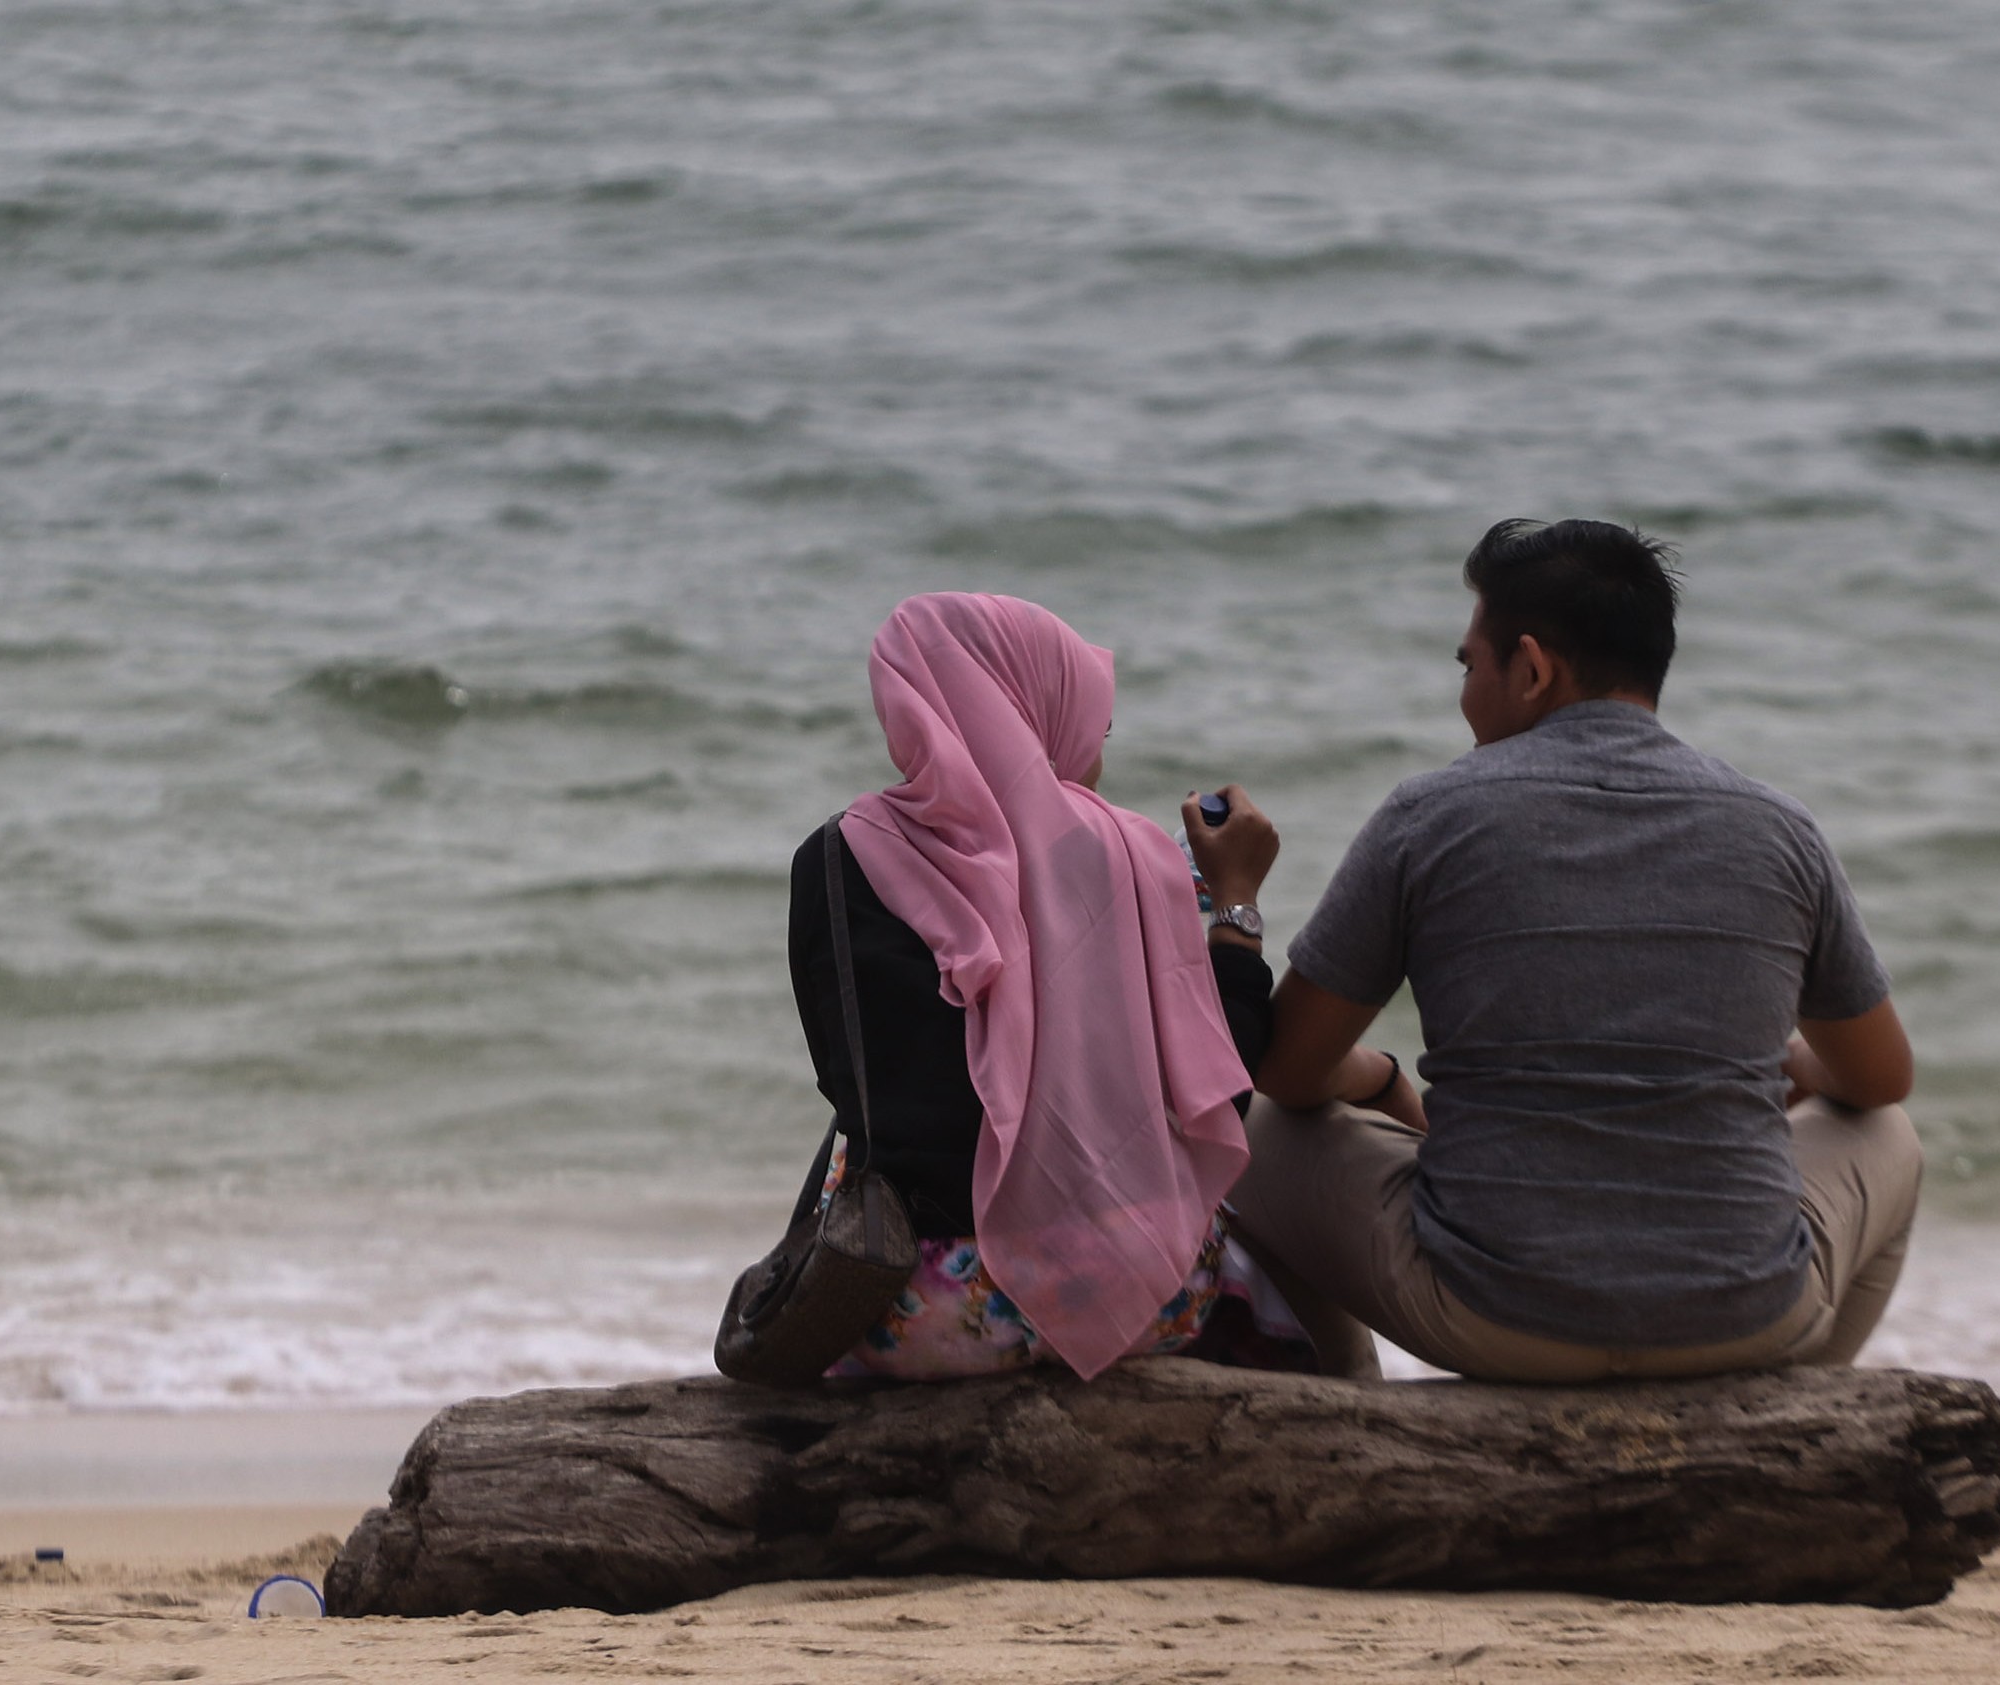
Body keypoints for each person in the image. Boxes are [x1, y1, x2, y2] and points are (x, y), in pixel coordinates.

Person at [1229, 518, 1923, 1383]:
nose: (1466, 688)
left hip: (1489, 1313)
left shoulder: (1429, 816)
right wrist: (1768, 1062)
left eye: (1468, 664)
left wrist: (1372, 1078)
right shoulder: (1778, 827)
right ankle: (1798, 1398)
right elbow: (1882, 1081)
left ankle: (1346, 1401)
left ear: (1531, 668)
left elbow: (1287, 1075)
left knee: (1243, 1131)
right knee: (1889, 1134)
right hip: (1747, 1309)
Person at [786, 591, 1389, 1380]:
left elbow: (851, 1085)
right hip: (1143, 1298)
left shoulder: (835, 857)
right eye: (1094, 731)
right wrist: (1233, 906)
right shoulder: (1130, 855)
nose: (1096, 760)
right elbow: (1225, 1091)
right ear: (1040, 717)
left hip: (908, 1307)